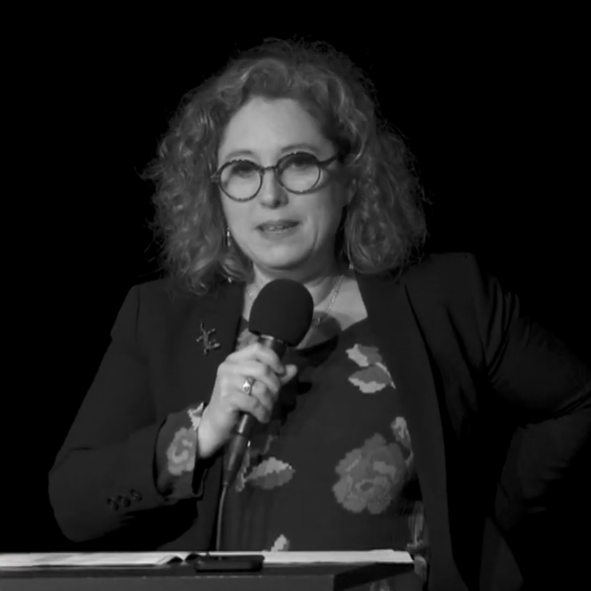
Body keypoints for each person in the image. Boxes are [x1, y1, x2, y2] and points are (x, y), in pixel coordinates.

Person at [48, 39, 590, 590]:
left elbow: (573, 403)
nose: (271, 195)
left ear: (351, 177)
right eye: (242, 170)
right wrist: (199, 431)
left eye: (298, 163)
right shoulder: (163, 317)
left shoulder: (445, 296)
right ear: (214, 193)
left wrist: (477, 534)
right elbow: (73, 502)